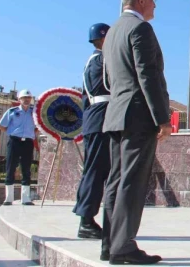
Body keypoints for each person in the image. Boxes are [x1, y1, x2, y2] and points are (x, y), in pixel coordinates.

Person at [100, 0, 171, 264]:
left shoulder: (114, 31)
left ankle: (110, 244)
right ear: (141, 0)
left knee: (116, 181)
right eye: (152, 0)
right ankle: (123, 247)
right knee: (132, 182)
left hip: (116, 114)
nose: (155, 5)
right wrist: (162, 119)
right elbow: (147, 75)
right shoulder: (140, 29)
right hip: (138, 116)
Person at [72, 23, 111, 240]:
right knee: (96, 171)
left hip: (93, 119)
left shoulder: (92, 61)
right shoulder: (102, 61)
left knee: (93, 170)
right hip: (101, 119)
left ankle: (86, 216)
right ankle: (86, 220)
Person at [0, 89, 38, 206]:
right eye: (24, 98)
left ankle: (25, 198)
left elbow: (38, 126)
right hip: (15, 141)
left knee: (26, 169)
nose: (26, 100)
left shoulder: (34, 112)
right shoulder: (12, 111)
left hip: (28, 143)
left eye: (28, 98)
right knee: (10, 168)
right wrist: (12, 132)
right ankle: (8, 198)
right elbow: (1, 125)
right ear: (19, 99)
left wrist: (32, 133)